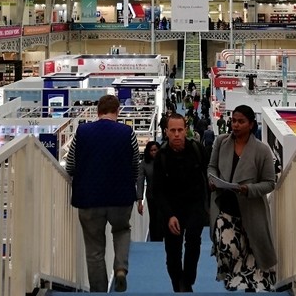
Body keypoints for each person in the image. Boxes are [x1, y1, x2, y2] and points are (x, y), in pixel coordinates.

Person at [65, 94, 142, 293]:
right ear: (117, 111)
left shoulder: (82, 132)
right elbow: (135, 165)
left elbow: (71, 164)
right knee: (122, 230)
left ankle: (98, 291)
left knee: (94, 249)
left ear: (98, 111)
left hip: (89, 199)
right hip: (120, 198)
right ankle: (120, 269)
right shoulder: (128, 132)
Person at [208, 104, 277, 292]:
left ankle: (239, 285)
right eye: (234, 120)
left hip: (251, 211)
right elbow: (211, 167)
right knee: (227, 249)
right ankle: (231, 278)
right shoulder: (221, 142)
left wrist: (248, 189)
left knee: (251, 253)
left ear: (251, 124)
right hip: (224, 208)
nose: (236, 125)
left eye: (241, 121)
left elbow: (270, 182)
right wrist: (213, 180)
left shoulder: (262, 151)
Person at [152, 114, 208, 293]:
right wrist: (169, 215)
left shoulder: (197, 149)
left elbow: (208, 177)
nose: (177, 134)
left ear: (186, 130)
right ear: (166, 132)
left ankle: (187, 282)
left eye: (180, 130)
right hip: (171, 209)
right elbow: (157, 190)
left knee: (193, 242)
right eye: (173, 130)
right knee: (173, 252)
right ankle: (178, 285)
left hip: (195, 206)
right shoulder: (161, 156)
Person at [137, 141, 164, 242]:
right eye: (151, 150)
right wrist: (140, 199)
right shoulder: (144, 164)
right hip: (151, 196)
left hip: (164, 195)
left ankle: (161, 238)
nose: (154, 152)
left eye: (155, 150)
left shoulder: (164, 161)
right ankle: (154, 240)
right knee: (153, 218)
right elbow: (140, 181)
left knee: (161, 217)